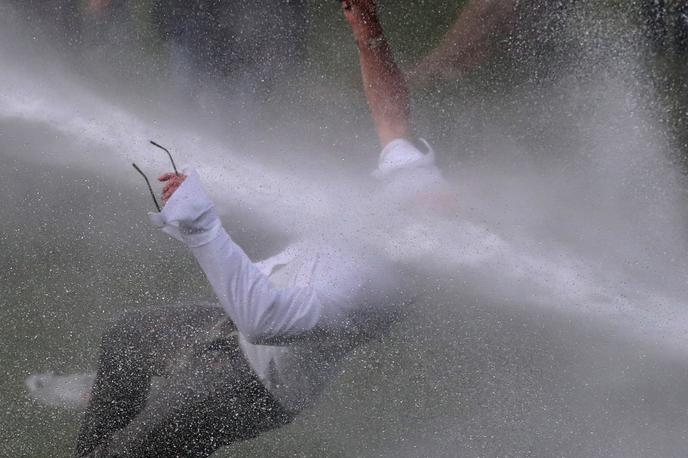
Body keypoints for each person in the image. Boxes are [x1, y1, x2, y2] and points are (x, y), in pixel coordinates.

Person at [73, 0, 447, 456]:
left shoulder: (370, 288)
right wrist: (369, 35)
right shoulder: (414, 187)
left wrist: (200, 224)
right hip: (226, 328)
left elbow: (263, 320)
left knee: (128, 453)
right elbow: (392, 117)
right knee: (128, 337)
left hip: (250, 386)